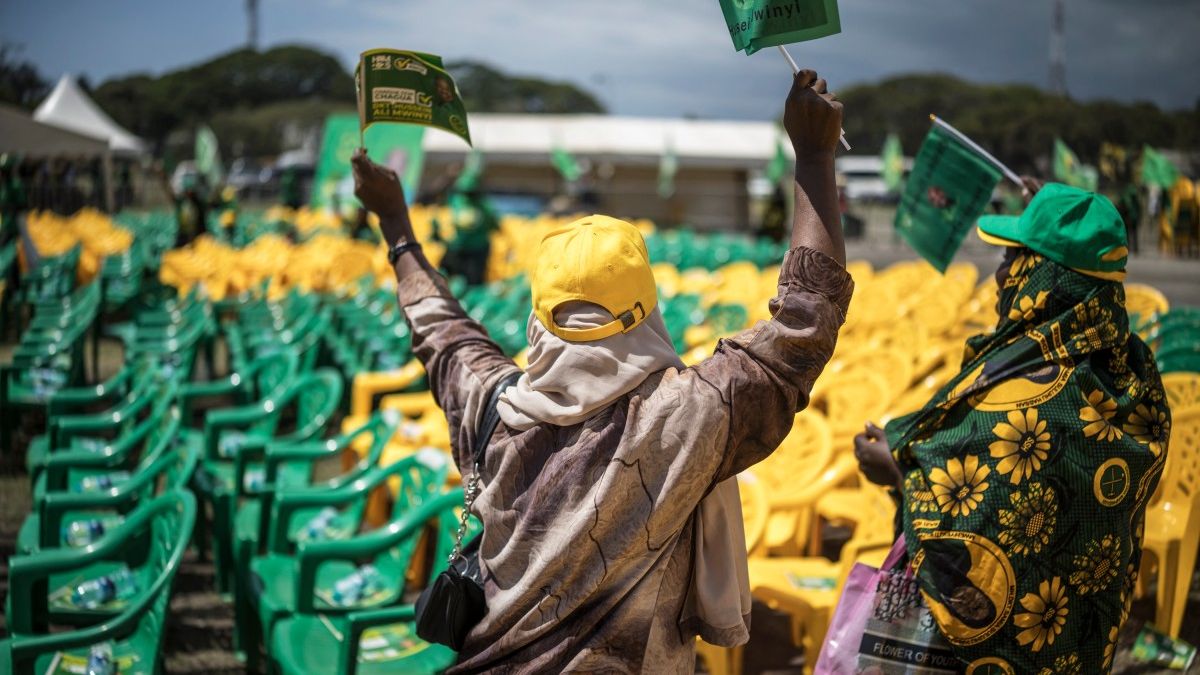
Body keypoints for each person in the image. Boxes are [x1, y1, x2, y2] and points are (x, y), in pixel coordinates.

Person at [351, 68, 851, 673]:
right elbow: (805, 319)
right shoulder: (688, 417)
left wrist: (396, 226)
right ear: (646, 311)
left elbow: (442, 332)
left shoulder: (494, 405)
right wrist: (815, 156)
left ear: (538, 319)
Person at [854, 183, 1169, 672]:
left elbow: (981, 522)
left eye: (1010, 259)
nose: (999, 276)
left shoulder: (1033, 396)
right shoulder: (1131, 372)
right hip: (1083, 636)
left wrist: (897, 474)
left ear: (1039, 274)